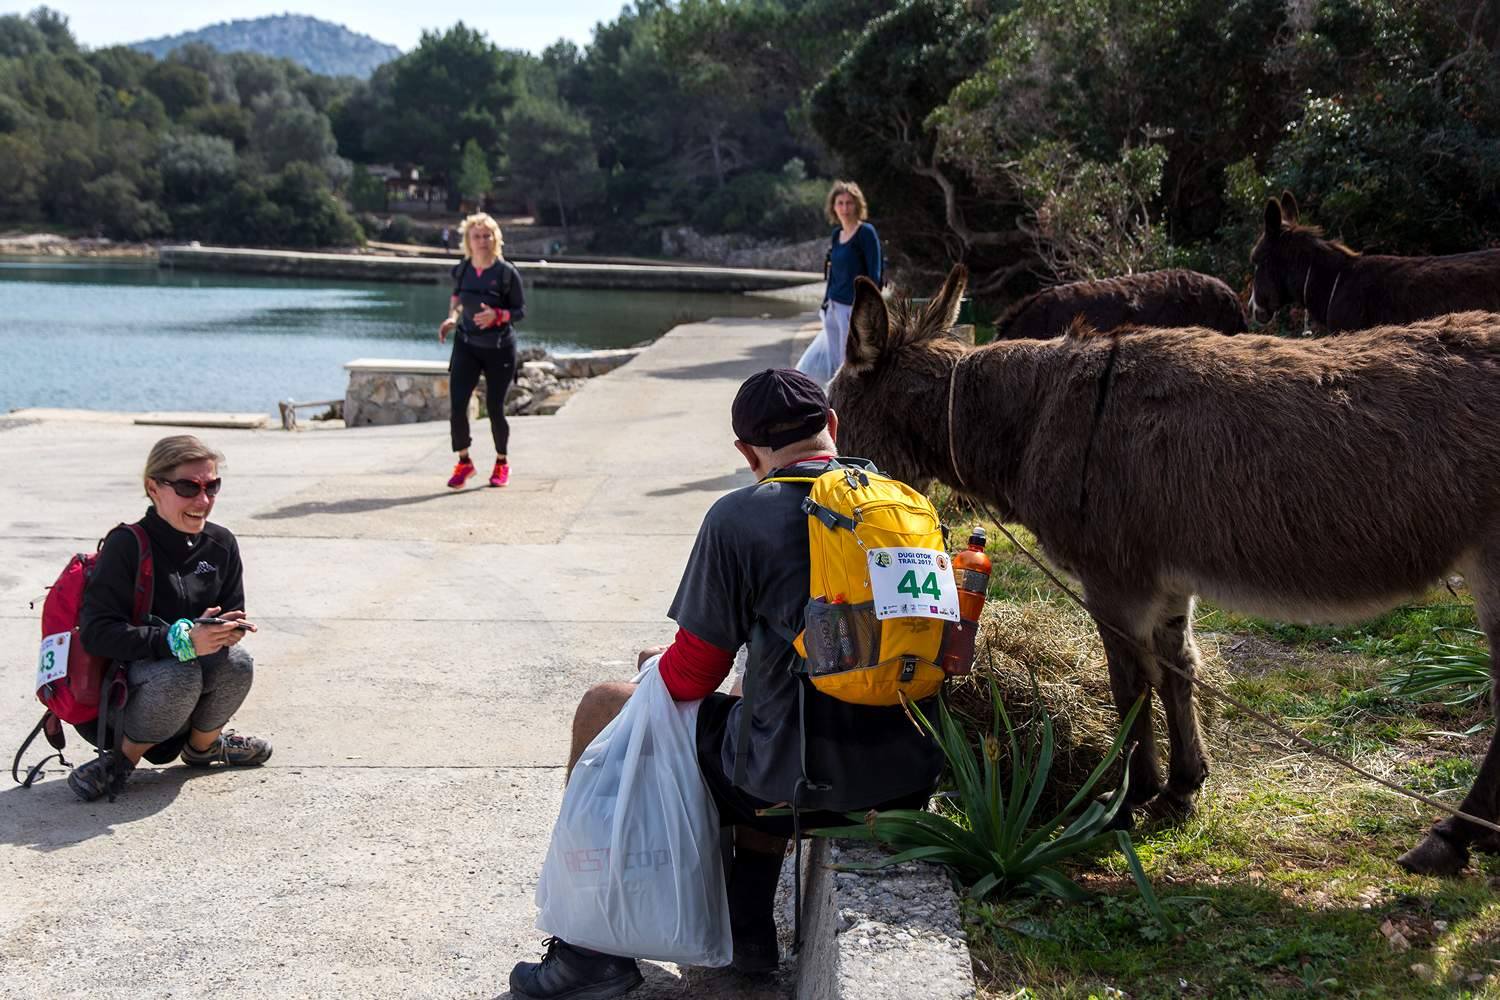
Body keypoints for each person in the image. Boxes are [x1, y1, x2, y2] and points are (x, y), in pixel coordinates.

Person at [509, 369, 943, 1000]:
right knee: (752, 709)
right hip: (904, 778)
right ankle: (747, 926)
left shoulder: (741, 516)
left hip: (802, 782)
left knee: (605, 706)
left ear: (747, 451)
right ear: (832, 426)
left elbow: (693, 674)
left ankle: (588, 952)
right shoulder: (906, 506)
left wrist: (651, 672)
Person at [71, 435, 271, 802]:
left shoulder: (221, 544)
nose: (203, 501)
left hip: (185, 696)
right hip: (126, 697)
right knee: (181, 670)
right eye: (188, 488)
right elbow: (96, 633)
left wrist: (226, 631)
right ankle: (120, 761)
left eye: (212, 487)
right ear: (154, 488)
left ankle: (203, 748)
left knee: (238, 662)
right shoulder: (126, 545)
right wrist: (179, 641)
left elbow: (232, 611)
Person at [438, 212, 527, 489]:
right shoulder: (463, 269)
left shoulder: (506, 273)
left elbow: (519, 311)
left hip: (499, 348)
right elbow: (457, 298)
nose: (482, 241)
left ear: (495, 238)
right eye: (476, 236)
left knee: (495, 409)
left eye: (487, 236)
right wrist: (452, 318)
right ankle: (464, 462)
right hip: (467, 345)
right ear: (468, 240)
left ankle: (501, 463)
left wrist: (497, 315)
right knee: (457, 407)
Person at [796, 181, 883, 385]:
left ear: (857, 205)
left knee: (849, 364)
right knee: (835, 364)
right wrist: (825, 303)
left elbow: (875, 273)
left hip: (853, 309)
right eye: (840, 203)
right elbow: (833, 273)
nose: (845, 208)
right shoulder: (837, 235)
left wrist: (867, 309)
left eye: (849, 203)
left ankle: (848, 400)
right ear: (833, 207)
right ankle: (832, 399)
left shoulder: (866, 232)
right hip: (833, 307)